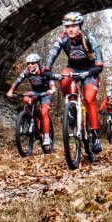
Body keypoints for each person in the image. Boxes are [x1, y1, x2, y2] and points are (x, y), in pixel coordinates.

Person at [43, 11, 104, 153]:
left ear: (80, 26)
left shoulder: (89, 36)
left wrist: (98, 65)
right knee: (64, 78)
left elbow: (98, 52)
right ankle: (72, 108)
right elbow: (53, 52)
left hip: (90, 70)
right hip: (73, 68)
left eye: (74, 26)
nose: (70, 29)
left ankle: (95, 137)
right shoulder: (62, 38)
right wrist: (47, 68)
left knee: (89, 99)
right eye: (67, 26)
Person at [6, 53, 57, 147]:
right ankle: (33, 117)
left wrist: (52, 89)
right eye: (28, 63)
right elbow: (18, 81)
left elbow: (51, 81)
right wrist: (11, 91)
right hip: (35, 92)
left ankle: (46, 136)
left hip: (46, 93)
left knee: (44, 112)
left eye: (32, 63)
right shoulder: (26, 72)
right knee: (26, 99)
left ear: (37, 63)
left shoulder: (43, 71)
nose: (30, 65)